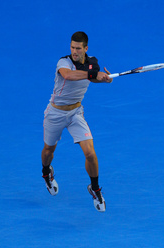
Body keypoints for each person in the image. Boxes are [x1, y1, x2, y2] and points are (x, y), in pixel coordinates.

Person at [41, 31, 112, 212]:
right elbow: (69, 76)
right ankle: (46, 172)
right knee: (49, 150)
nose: (74, 51)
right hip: (55, 113)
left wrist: (103, 79)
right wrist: (92, 75)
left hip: (75, 113)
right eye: (72, 47)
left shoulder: (92, 63)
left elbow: (94, 76)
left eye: (78, 48)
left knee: (90, 153)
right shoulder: (64, 62)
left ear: (85, 49)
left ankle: (95, 189)